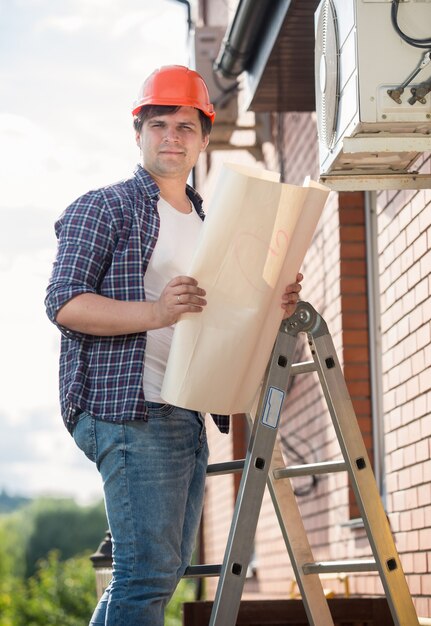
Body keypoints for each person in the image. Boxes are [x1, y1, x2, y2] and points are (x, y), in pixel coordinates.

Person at [45, 65, 302, 626]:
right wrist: (156, 311)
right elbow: (64, 303)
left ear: (204, 139)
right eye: (158, 124)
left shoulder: (212, 222)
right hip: (129, 408)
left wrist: (269, 304)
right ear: (138, 133)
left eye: (185, 127)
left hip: (183, 407)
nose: (171, 137)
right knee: (146, 575)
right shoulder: (106, 207)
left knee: (154, 577)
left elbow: (222, 312)